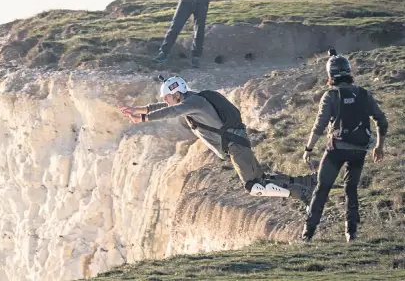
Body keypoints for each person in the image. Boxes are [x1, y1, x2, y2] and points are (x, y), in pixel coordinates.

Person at [119, 75, 317, 205]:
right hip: (236, 144)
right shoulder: (193, 98)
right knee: (261, 180)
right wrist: (139, 110)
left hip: (235, 146)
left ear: (177, 93)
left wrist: (144, 118)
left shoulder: (192, 102)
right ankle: (307, 182)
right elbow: (164, 107)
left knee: (254, 187)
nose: (165, 100)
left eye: (167, 96)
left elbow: (171, 111)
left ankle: (301, 194)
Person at [301, 49, 388, 243]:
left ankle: (307, 235)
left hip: (336, 150)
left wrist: (308, 149)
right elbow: (381, 120)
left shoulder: (331, 96)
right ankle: (351, 234)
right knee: (351, 190)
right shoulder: (364, 94)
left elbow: (320, 125)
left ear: (330, 74)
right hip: (359, 150)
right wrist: (379, 146)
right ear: (349, 72)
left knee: (322, 189)